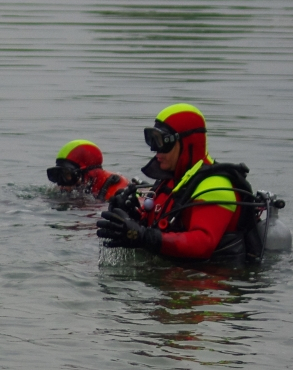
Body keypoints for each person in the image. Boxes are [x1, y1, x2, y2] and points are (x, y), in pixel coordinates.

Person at [96, 104, 255, 262]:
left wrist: (143, 236)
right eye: (153, 141)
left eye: (162, 142)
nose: (156, 151)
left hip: (210, 281)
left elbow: (203, 244)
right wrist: (130, 216)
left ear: (187, 143)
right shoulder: (171, 179)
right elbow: (159, 226)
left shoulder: (214, 186)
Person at [47, 140, 132, 204]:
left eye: (68, 176)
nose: (61, 185)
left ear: (88, 174)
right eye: (58, 175)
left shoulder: (117, 191)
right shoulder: (86, 184)